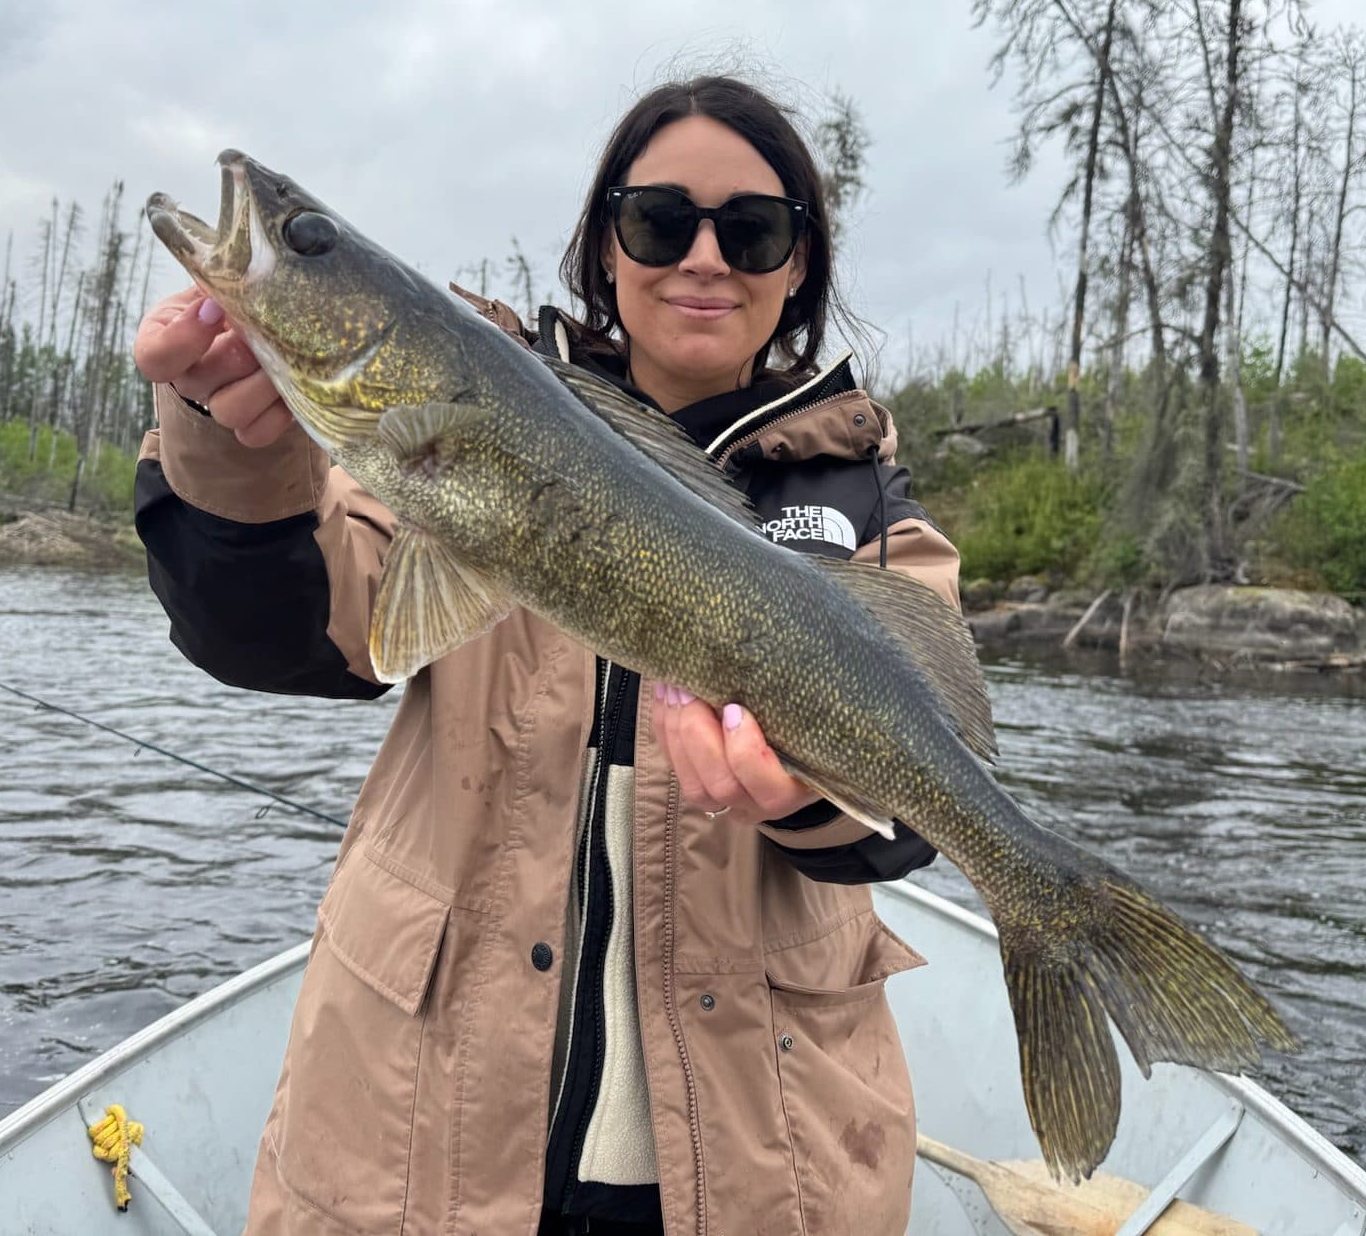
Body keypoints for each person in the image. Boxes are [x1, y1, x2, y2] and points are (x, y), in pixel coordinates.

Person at [132, 75, 964, 1236]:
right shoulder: (464, 413)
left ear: (798, 267)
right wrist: (232, 446)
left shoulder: (865, 504)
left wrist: (805, 799)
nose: (704, 258)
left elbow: (916, 810)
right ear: (606, 248)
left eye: (752, 230)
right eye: (659, 221)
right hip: (428, 1160)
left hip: (755, 1179)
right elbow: (273, 631)